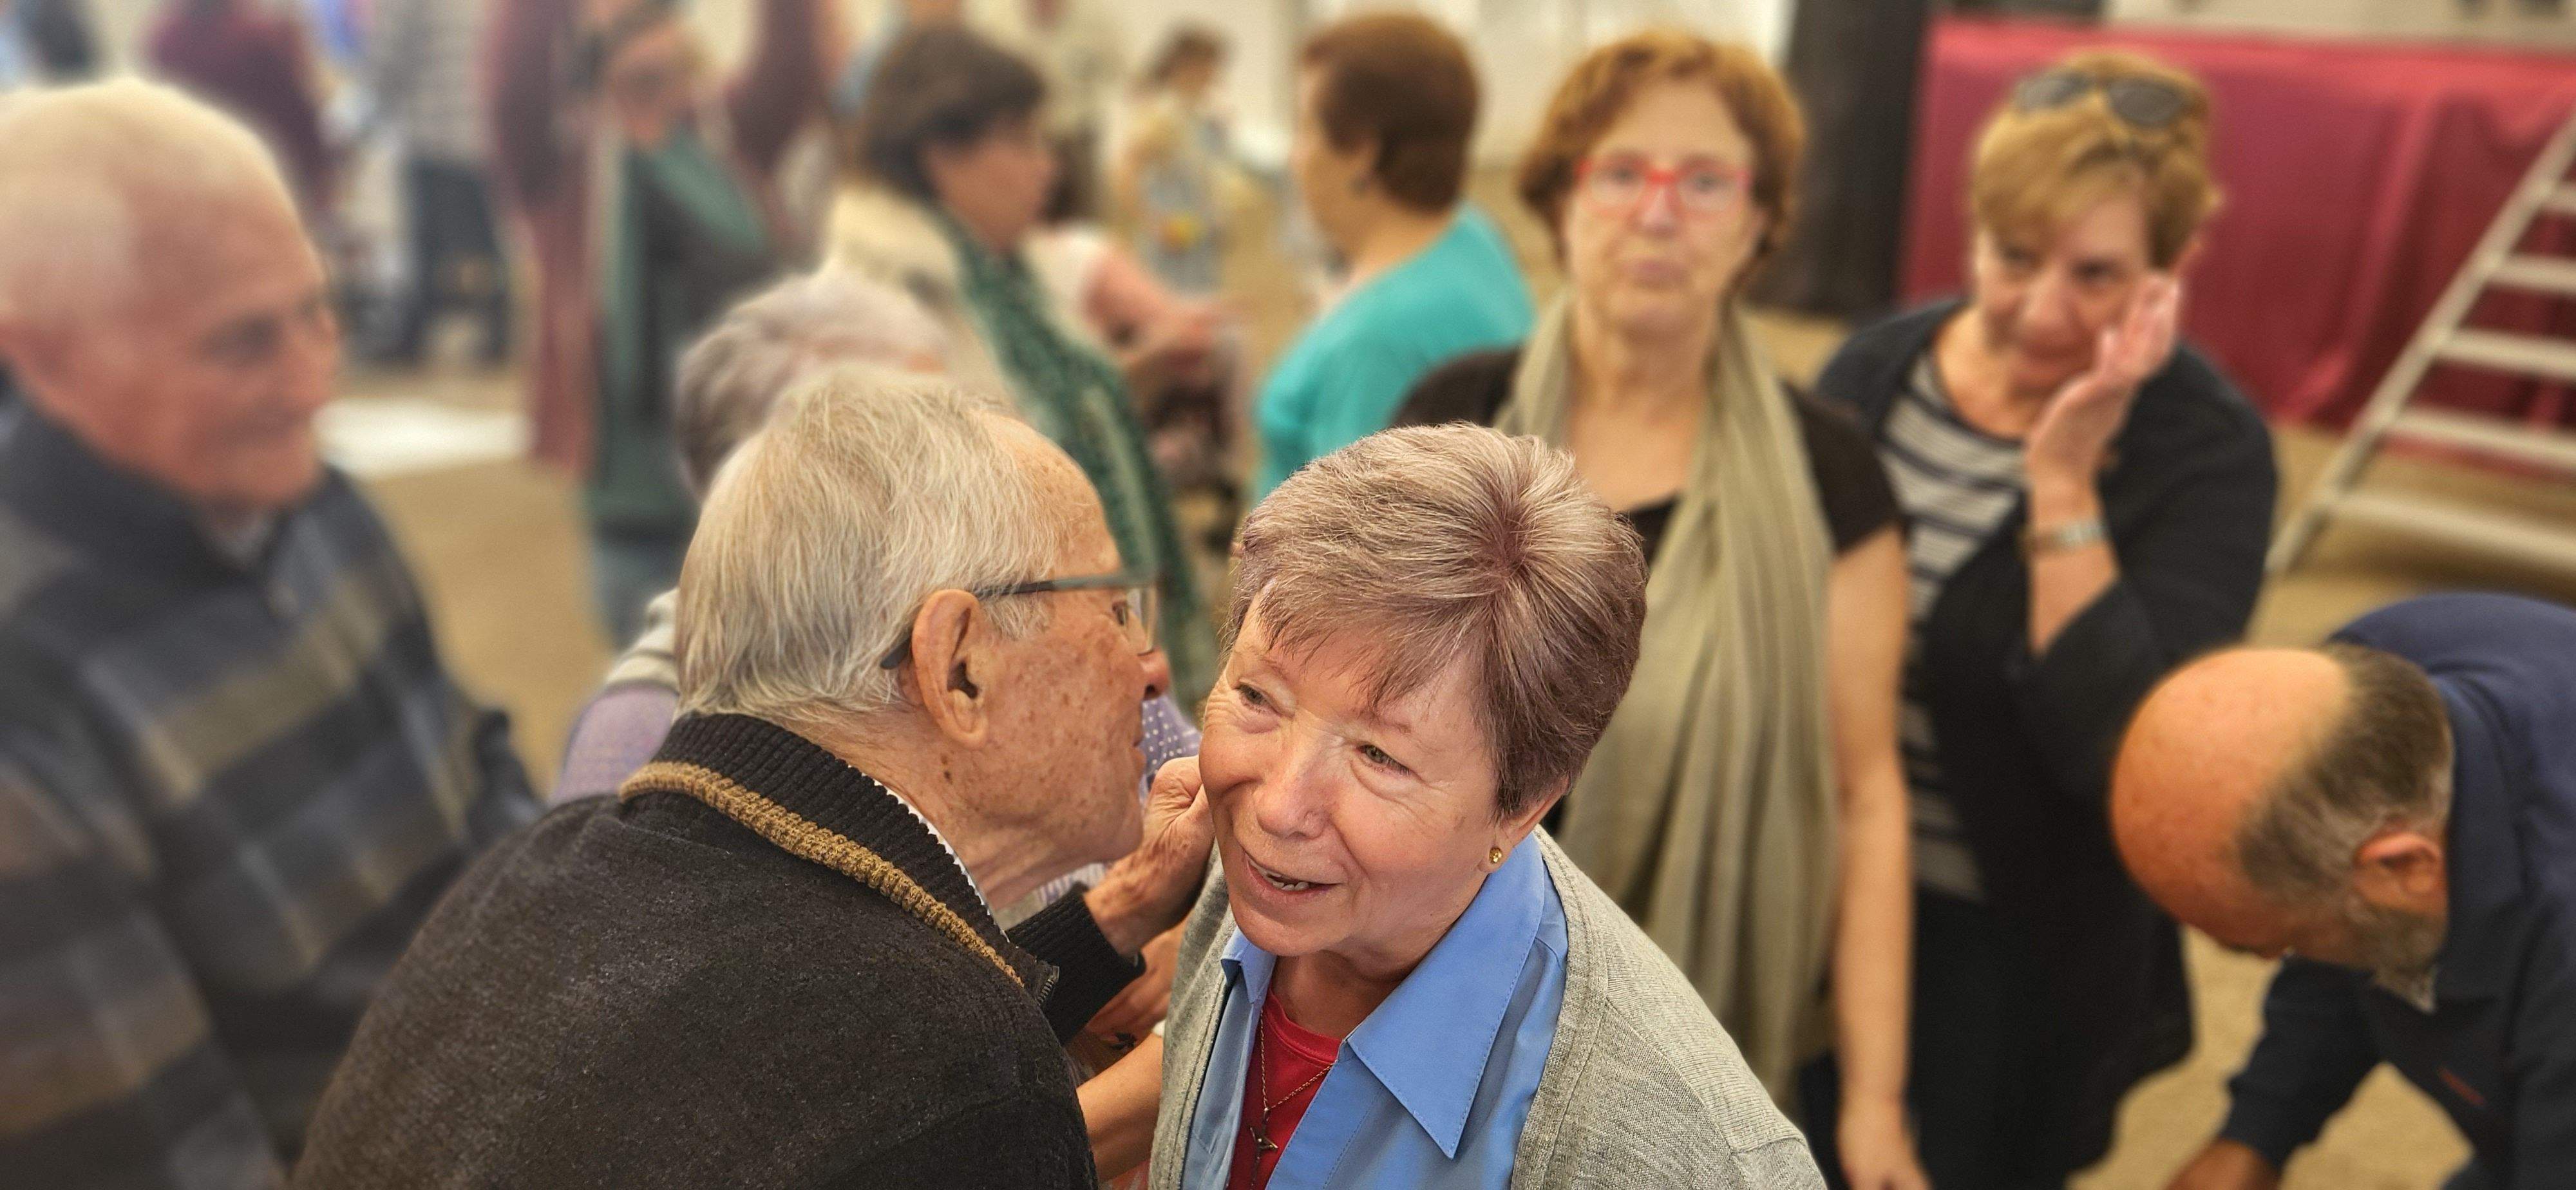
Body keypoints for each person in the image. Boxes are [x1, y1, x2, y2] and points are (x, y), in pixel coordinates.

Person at [295, 371, 1218, 1187]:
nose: (1151, 669)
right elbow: (882, 1063)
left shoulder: (545, 867)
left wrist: (1116, 914)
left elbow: (804, 1057)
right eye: (1114, 609)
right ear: (959, 666)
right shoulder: (961, 1075)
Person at [1394, 30, 1920, 1185]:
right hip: (1419, 1003)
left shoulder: (1833, 478)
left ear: (1760, 223)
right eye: (1622, 171)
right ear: (1560, 198)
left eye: (1707, 180)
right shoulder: (1452, 422)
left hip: (1706, 1019)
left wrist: (1878, 1102)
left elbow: (1865, 791)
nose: (1660, 212)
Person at [0, 82, 538, 1187]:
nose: (312, 382)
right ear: (43, 359)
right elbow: (171, 1158)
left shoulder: (307, 501)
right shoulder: (29, 705)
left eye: (318, 310)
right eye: (244, 344)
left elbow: (473, 757)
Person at [1077, 425, 1825, 1189]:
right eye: (1257, 697)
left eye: (1379, 757)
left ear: (1522, 805)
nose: (1276, 804)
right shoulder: (1258, 879)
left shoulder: (1664, 1154)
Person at [1809, 49, 2277, 1185]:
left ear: (2169, 273)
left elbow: (2127, 752)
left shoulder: (2202, 451)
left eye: (2098, 275)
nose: (2040, 308)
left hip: (2015, 950)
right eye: (2013, 257)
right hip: (1823, 900)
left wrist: (2064, 483)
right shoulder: (1875, 373)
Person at [2113, 594, 2576, 1190]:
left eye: (2275, 944)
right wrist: (2257, 1134)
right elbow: (2354, 931)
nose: (2270, 960)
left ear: (2406, 867)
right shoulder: (2362, 680)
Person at [828, 23, 1219, 708]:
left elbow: (1043, 428)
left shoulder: (1010, 279)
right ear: (941, 153)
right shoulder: (882, 310)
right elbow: (930, 528)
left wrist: (1132, 379)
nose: (1048, 166)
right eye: (1021, 141)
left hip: (1078, 636)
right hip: (1014, 674)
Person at [483, 0, 831, 640]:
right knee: (651, 703)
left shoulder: (727, 137)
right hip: (633, 509)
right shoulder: (563, 167)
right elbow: (513, 83)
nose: (661, 74)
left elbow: (794, 60)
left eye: (675, 58)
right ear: (595, 64)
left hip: (748, 490)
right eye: (632, 46)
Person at [1249, 12, 1531, 500]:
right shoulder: (1469, 232)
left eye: (1305, 129)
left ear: (1360, 151)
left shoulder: (1376, 343)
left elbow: (1350, 552)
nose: (1295, 158)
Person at [361, 0, 511, 366]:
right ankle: (498, 335)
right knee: (485, 240)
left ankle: (413, 336)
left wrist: (365, 118)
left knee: (426, 247)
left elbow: (388, 61)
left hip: (434, 130)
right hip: (487, 129)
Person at [147, 0, 336, 215]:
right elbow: (297, 119)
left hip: (214, 188)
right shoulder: (259, 36)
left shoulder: (163, 43)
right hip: (283, 179)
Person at [1113, 25, 1233, 294]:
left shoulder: (1197, 114)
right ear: (1189, 67)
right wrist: (1152, 222)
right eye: (1211, 67)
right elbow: (1123, 171)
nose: (1215, 76)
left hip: (1198, 238)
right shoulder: (1163, 116)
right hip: (1174, 242)